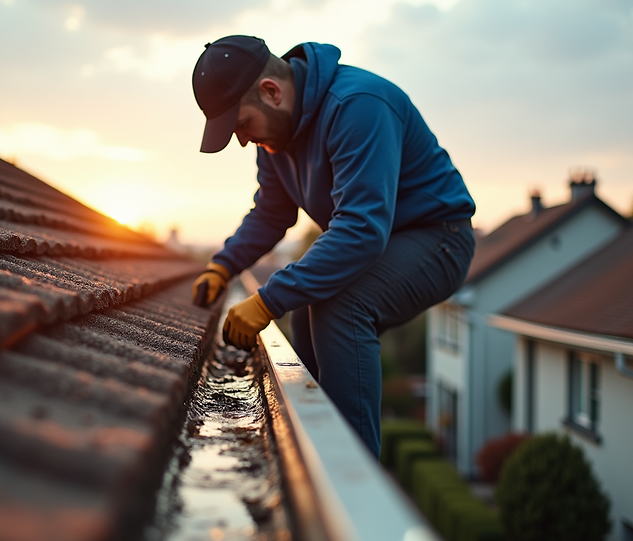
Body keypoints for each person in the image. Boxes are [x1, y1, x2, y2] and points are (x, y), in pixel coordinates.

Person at [190, 35, 475, 457]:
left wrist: (267, 301)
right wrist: (223, 266)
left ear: (272, 91)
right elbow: (271, 213)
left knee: (341, 306)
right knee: (308, 308)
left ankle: (353, 473)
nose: (243, 140)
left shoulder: (358, 106)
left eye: (242, 124)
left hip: (438, 240)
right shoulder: (276, 141)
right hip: (380, 240)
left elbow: (361, 228)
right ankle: (315, 446)